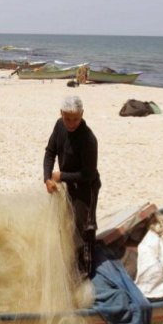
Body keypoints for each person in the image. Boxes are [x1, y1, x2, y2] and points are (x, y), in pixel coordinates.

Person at [43, 95, 101, 277]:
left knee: (85, 227)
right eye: (67, 118)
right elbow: (50, 152)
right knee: (70, 223)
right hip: (69, 184)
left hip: (87, 187)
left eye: (75, 119)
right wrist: (47, 178)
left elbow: (88, 174)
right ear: (61, 114)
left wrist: (61, 176)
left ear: (82, 114)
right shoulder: (59, 126)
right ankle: (72, 262)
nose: (71, 123)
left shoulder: (89, 139)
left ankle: (85, 271)